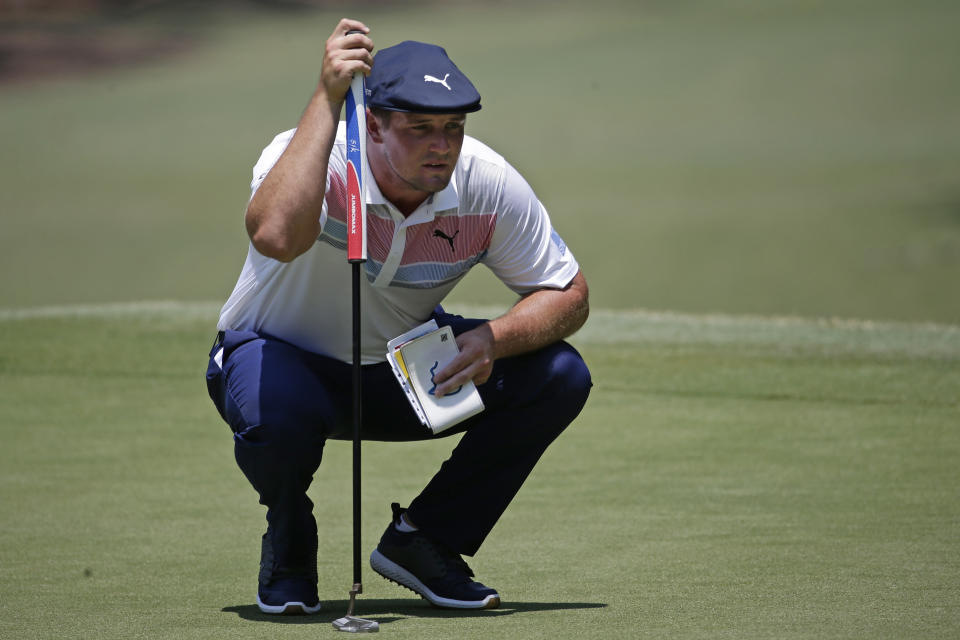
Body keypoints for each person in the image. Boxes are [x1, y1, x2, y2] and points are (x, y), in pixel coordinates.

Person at [205, 18, 592, 615]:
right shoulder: (313, 153)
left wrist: (494, 337)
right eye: (420, 129)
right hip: (277, 362)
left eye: (453, 128)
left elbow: (568, 292)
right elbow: (277, 236)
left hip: (395, 370)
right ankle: (289, 539)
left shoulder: (485, 185)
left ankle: (424, 540)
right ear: (375, 124)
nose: (442, 144)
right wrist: (326, 96)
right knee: (275, 412)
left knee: (559, 374)